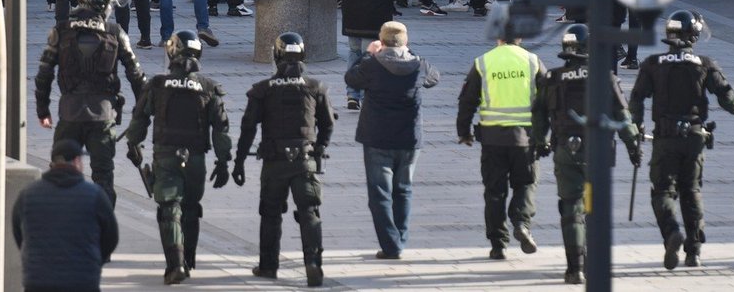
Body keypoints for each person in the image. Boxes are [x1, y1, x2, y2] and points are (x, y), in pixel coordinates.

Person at [629, 10, 734, 269]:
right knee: (691, 191)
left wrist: (635, 127)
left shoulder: (653, 63)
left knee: (662, 191)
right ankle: (694, 251)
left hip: (665, 137)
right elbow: (727, 97)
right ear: (694, 35)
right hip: (694, 136)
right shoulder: (705, 63)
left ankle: (671, 233)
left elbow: (636, 99)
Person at [532, 24, 638, 283]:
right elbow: (623, 117)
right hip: (597, 155)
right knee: (594, 208)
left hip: (566, 151)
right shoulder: (604, 77)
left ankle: (574, 268)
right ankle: (594, 262)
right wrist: (633, 146)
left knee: (570, 207)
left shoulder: (552, 79)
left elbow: (539, 117)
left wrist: (540, 144)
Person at [126, 30, 232, 284]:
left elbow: (140, 118)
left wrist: (133, 144)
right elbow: (220, 128)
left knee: (169, 209)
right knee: (191, 208)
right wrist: (224, 161)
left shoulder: (157, 85)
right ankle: (190, 260)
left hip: (166, 155)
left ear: (171, 51)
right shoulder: (208, 87)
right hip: (195, 158)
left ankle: (176, 265)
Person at [233, 32, 335, 286]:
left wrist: (238, 162)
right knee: (309, 212)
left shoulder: (263, 90)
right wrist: (320, 147)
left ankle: (268, 266)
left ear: (276, 56)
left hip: (274, 162)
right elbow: (328, 123)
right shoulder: (315, 87)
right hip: (305, 160)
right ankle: (312, 263)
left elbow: (248, 128)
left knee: (270, 214)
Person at [34, 0, 147, 205]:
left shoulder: (61, 30)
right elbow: (136, 75)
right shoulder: (115, 32)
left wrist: (42, 110)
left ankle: (63, 228)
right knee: (103, 178)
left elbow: (44, 73)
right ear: (104, 6)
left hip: (69, 114)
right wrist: (142, 110)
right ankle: (101, 232)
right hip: (102, 116)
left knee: (60, 174)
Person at [344, 21, 440, 259]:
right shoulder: (418, 65)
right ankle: (400, 239)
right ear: (405, 41)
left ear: (381, 40)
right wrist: (410, 52)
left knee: (380, 195)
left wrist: (368, 54)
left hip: (377, 138)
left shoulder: (372, 65)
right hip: (409, 139)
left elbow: (351, 78)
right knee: (403, 191)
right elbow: (434, 78)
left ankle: (391, 245)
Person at [457, 27, 546, 260]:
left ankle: (498, 245)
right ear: (520, 37)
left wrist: (463, 132)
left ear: (498, 37)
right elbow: (549, 100)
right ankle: (521, 222)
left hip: (492, 139)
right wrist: (546, 136)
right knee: (526, 184)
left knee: (494, 191)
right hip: (525, 139)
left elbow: (467, 101)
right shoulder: (533, 61)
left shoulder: (483, 62)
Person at [12, 139, 119, 292]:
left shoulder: (28, 194)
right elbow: (111, 237)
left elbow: (18, 233)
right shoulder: (94, 195)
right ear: (76, 161)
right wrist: (94, 260)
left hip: (38, 282)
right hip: (82, 281)